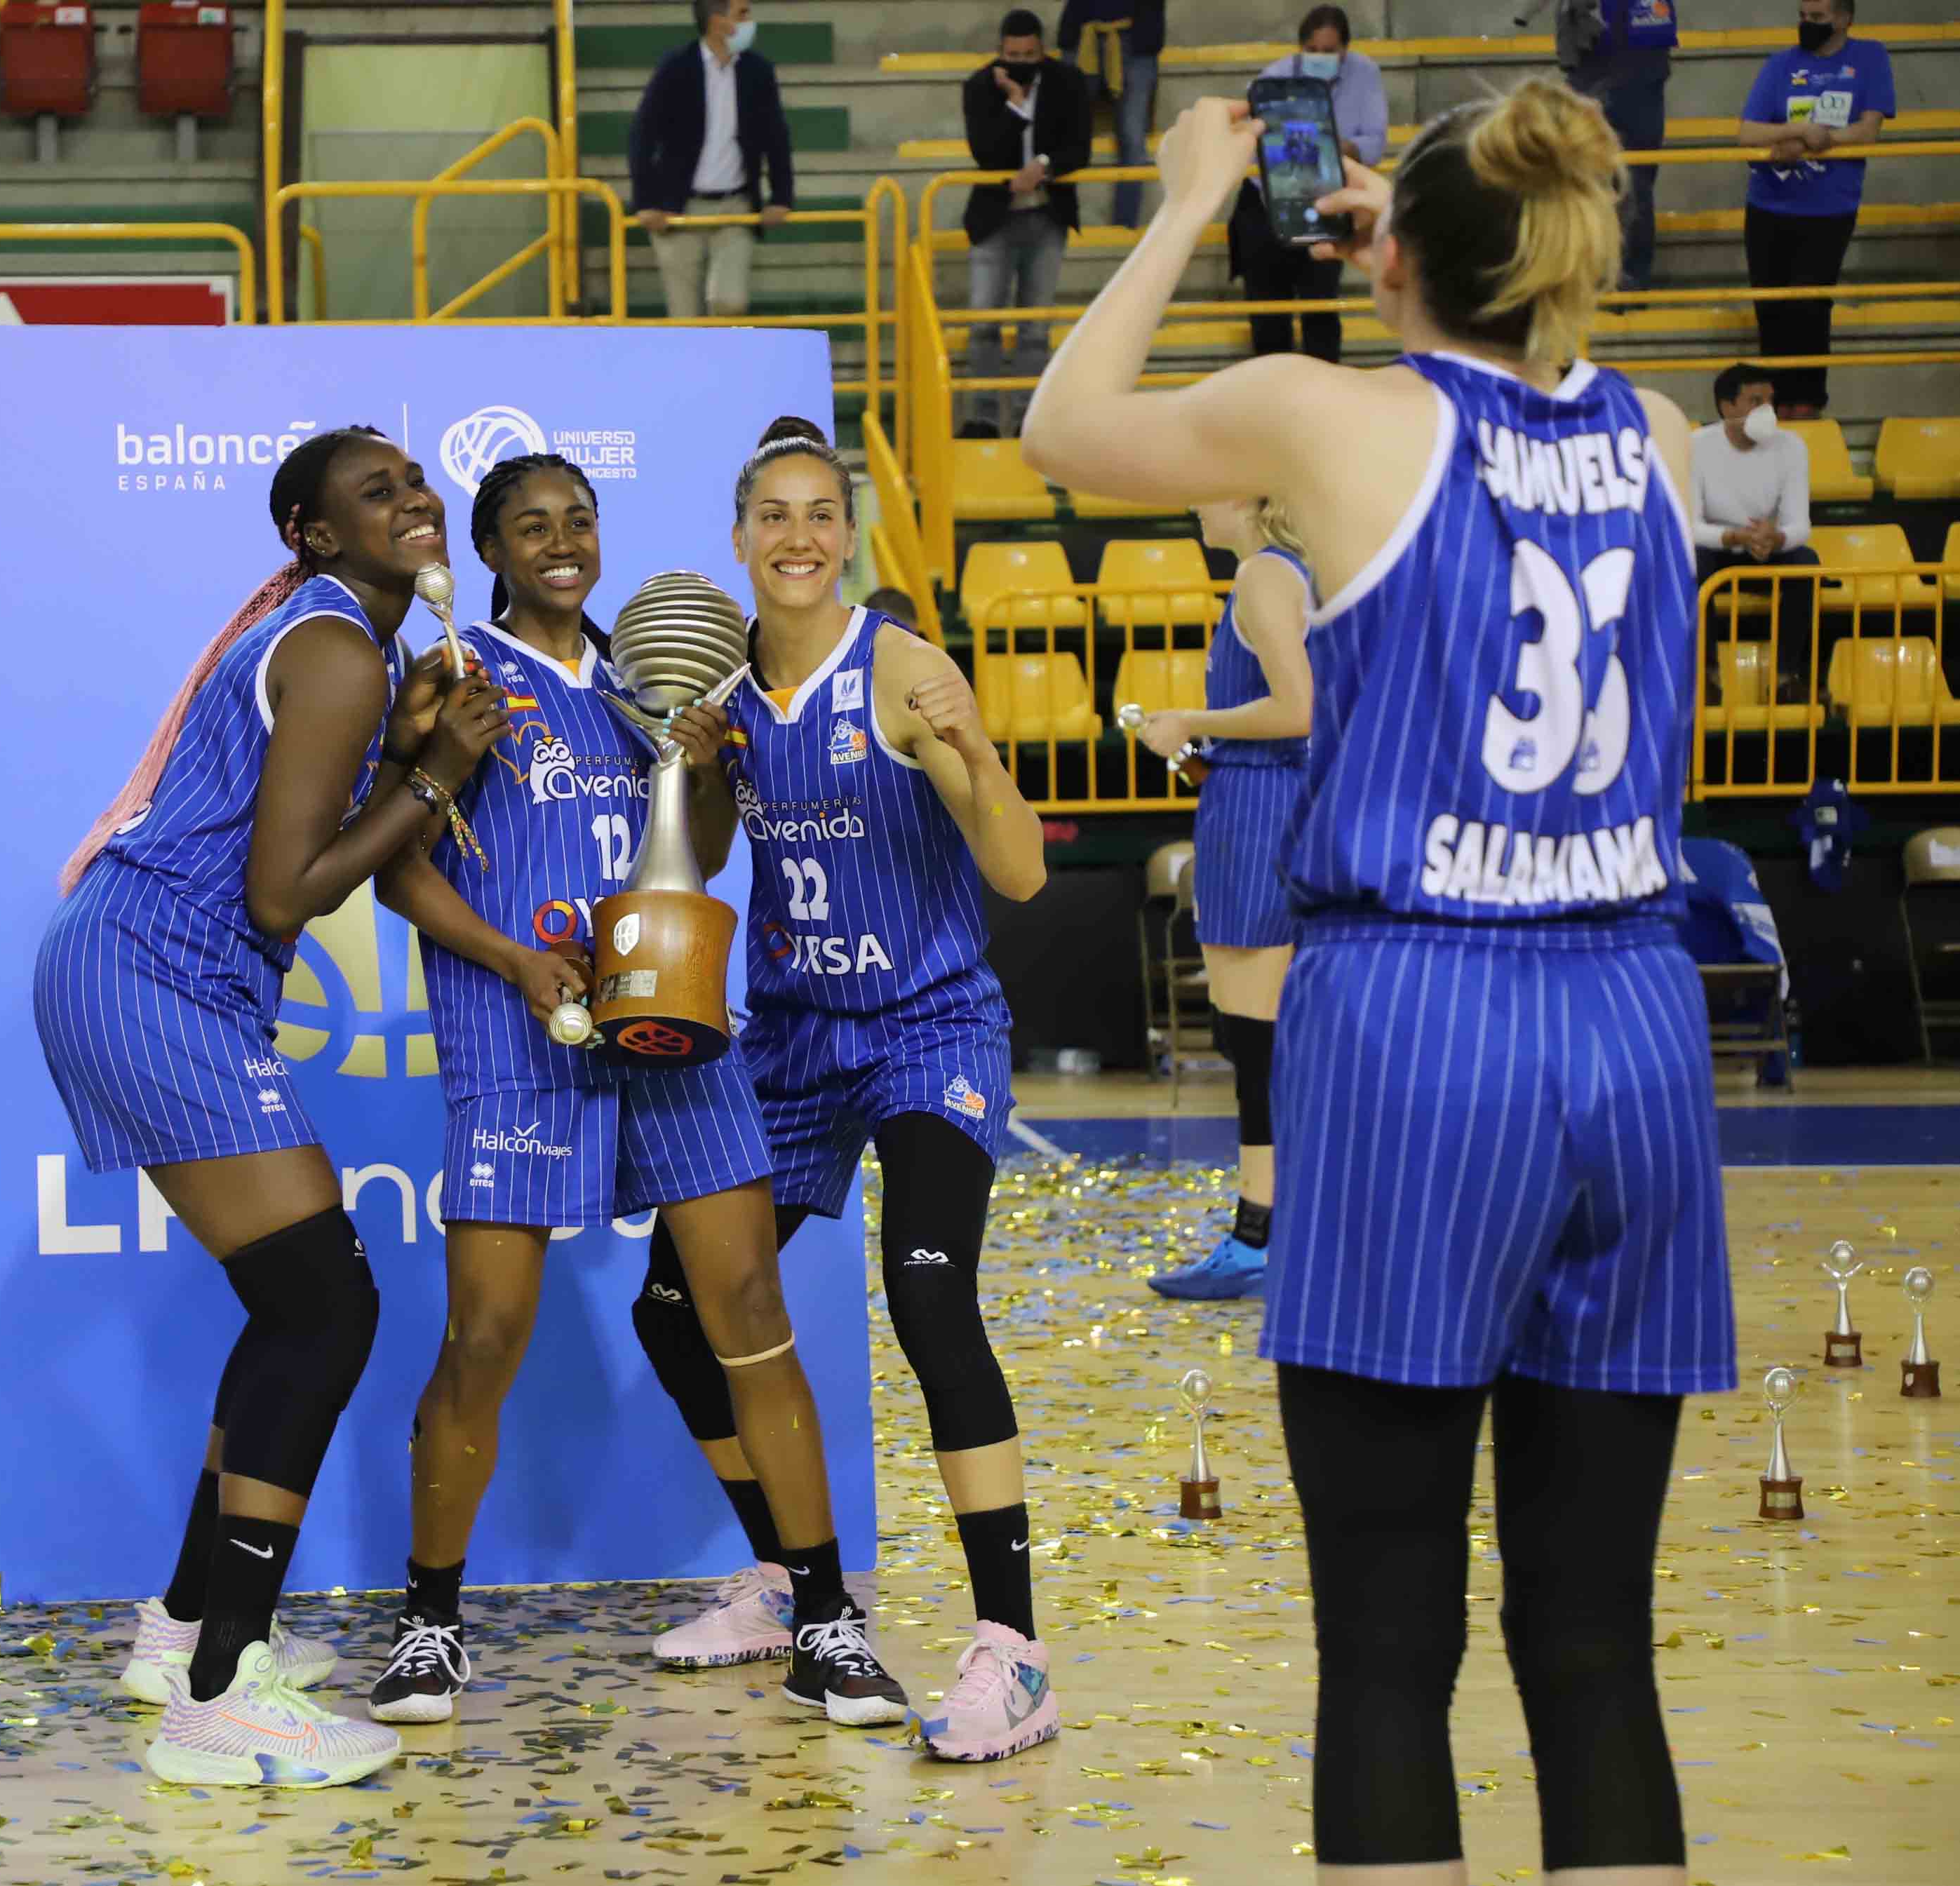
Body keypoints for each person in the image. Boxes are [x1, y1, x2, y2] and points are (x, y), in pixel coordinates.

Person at [1025, 79, 1729, 1880]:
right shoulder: (1656, 431)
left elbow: (1060, 426)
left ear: (1392, 253)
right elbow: (1516, 369)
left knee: (1391, 1643)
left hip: (1423, 1015)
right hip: (1637, 1021)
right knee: (1596, 1644)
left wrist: (1191, 202)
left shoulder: (1324, 418)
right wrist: (1417, 240)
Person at [361, 453, 899, 1732]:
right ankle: (429, 1623)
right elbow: (396, 869)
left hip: (676, 1027)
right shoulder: (458, 674)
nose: (562, 542)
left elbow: (698, 854)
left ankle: (824, 1617)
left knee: (750, 1309)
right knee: (484, 1336)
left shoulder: (646, 675)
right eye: (532, 526)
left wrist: (701, 769)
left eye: (579, 521)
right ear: (491, 548)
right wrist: (510, 955)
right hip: (520, 1036)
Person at [34, 426, 507, 1790]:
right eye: (376, 492)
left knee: (295, 1302)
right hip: (153, 968)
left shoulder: (347, 647)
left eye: (415, 482)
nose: (413, 500)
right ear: (314, 532)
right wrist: (435, 778)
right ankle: (221, 1691)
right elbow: (283, 891)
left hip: (146, 964)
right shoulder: (341, 647)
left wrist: (405, 757)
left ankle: (187, 1626)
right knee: (325, 1303)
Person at [635, 418, 1056, 1763]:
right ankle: (788, 1579)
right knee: (671, 1306)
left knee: (929, 1292)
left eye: (822, 512)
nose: (799, 535)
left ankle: (1014, 1650)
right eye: (775, 513)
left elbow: (1020, 873)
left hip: (928, 1026)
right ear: (740, 534)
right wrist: (696, 768)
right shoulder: (729, 687)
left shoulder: (906, 667)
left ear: (848, 534)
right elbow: (707, 858)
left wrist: (973, 754)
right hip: (796, 1036)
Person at [1133, 499, 1313, 1301]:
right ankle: (1282, 1227)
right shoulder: (1292, 572)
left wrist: (1190, 720)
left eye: (1210, 484)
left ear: (1248, 495)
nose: (1194, 499)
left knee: (1256, 1041)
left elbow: (1297, 708)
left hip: (1260, 809)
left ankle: (1259, 1236)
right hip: (1269, 800)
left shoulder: (1265, 576)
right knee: (1266, 1038)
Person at [1738, 0, 1893, 419]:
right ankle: (1774, 407)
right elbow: (1747, 132)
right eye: (1803, 17)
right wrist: (1797, 131)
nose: (1808, 24)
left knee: (1809, 309)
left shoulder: (1870, 57)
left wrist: (1815, 142)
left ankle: (1807, 406)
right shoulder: (1779, 65)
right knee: (1771, 311)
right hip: (1768, 206)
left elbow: (1868, 131)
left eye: (1819, 18)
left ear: (1845, 19)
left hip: (1829, 209)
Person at [961, 11, 1094, 438]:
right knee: (984, 325)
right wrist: (1016, 105)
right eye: (1012, 55)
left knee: (1036, 328)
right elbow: (986, 152)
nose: (1020, 61)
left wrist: (1044, 166)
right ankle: (982, 418)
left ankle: (1027, 419)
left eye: (1028, 55)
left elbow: (1080, 147)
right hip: (994, 219)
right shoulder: (979, 86)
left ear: (1043, 50)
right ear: (1000, 51)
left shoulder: (1069, 82)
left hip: (1048, 217)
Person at [1231, 8, 1385, 363]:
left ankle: (1324, 388)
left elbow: (1374, 145)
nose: (1320, 58)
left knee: (1322, 308)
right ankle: (1272, 390)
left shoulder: (1365, 74)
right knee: (1268, 312)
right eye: (1312, 50)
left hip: (1328, 199)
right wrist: (1326, 146)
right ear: (1300, 48)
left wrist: (1323, 146)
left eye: (1329, 51)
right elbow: (1262, 148)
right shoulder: (1274, 78)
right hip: (1268, 200)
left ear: (1346, 49)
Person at [628, 0, 794, 320]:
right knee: (684, 319)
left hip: (736, 207)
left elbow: (776, 136)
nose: (750, 20)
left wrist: (782, 197)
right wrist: (645, 202)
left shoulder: (759, 72)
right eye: (742, 13)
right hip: (678, 210)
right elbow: (642, 135)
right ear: (718, 22)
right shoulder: (675, 67)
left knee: (730, 304)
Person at [1690, 363, 1819, 647]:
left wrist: (1776, 538)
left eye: (1770, 401)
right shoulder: (1696, 446)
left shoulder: (1792, 446)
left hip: (1766, 549)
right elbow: (1690, 527)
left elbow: (1800, 525)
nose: (1768, 411)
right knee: (1692, 562)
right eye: (1756, 402)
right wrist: (1734, 537)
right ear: (1727, 407)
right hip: (1717, 550)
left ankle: (1788, 669)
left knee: (1806, 562)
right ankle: (1706, 668)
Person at [1563, 0, 1680, 292]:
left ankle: (1629, 285)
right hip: (1596, 72)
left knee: (1636, 186)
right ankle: (1589, 282)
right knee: (1584, 186)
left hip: (1640, 72)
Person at [1054, 0, 1162, 229]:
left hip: (1138, 38)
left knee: (1133, 141)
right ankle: (1060, 222)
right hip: (1082, 31)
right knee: (1064, 135)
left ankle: (1123, 229)